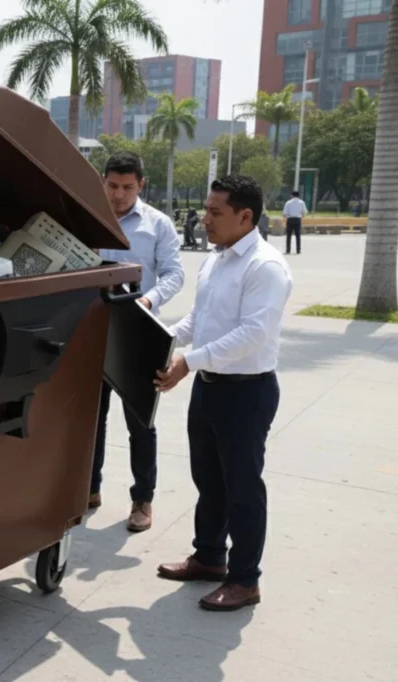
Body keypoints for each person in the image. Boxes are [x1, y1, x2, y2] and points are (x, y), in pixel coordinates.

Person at [154, 175, 293, 612]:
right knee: (209, 480)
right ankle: (210, 557)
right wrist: (160, 339)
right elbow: (199, 318)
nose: (205, 219)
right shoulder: (216, 260)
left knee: (242, 488)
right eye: (206, 210)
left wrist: (189, 361)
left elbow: (253, 334)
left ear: (245, 216)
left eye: (215, 212)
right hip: (209, 387)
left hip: (246, 392)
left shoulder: (265, 267)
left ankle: (245, 580)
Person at [93, 151, 185, 532]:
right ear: (103, 181)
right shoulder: (89, 215)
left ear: (141, 185)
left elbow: (175, 274)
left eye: (127, 187)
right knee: (91, 419)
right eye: (112, 185)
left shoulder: (157, 224)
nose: (118, 195)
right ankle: (89, 489)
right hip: (93, 328)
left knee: (141, 423)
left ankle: (142, 499)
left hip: (138, 332)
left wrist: (148, 300)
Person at [282, 190, 307, 255]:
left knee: (289, 235)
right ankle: (298, 250)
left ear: (292, 195)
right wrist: (301, 216)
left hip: (290, 219)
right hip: (298, 219)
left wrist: (286, 216)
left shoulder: (288, 202)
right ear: (298, 195)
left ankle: (288, 250)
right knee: (298, 235)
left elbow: (284, 213)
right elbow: (305, 212)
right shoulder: (301, 202)